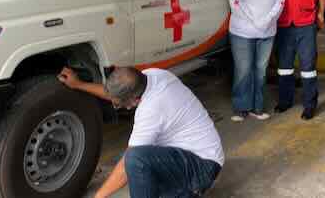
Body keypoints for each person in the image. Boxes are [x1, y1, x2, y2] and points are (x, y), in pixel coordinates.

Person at [58, 66, 224, 198]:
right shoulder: (152, 76)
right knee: (134, 161)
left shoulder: (151, 108)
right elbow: (116, 93)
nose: (118, 107)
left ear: (136, 100)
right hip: (191, 155)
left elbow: (125, 168)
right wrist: (79, 84)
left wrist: (98, 196)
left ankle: (186, 190)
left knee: (135, 159)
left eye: (120, 105)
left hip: (202, 169)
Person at [227, 0, 285, 122]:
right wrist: (255, 22)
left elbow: (281, 0)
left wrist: (266, 21)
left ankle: (257, 107)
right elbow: (234, 2)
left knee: (260, 71)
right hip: (242, 32)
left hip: (267, 33)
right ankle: (240, 107)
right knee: (244, 70)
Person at [274, 0, 325, 120]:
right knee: (284, 67)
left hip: (306, 24)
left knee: (308, 67)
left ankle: (309, 105)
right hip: (283, 25)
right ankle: (285, 101)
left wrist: (320, 14)